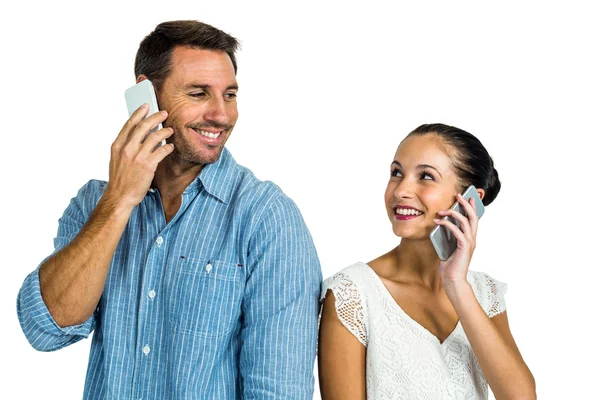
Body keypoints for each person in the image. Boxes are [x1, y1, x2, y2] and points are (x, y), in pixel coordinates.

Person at [17, 20, 322, 399]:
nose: (221, 115)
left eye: (229, 94)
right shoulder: (95, 205)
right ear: (146, 96)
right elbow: (44, 328)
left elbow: (279, 391)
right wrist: (118, 203)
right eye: (199, 94)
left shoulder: (267, 219)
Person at [318, 123, 536, 399]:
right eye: (397, 173)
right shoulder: (352, 294)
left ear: (471, 200)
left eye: (426, 177)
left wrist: (457, 285)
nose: (401, 190)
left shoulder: (484, 293)